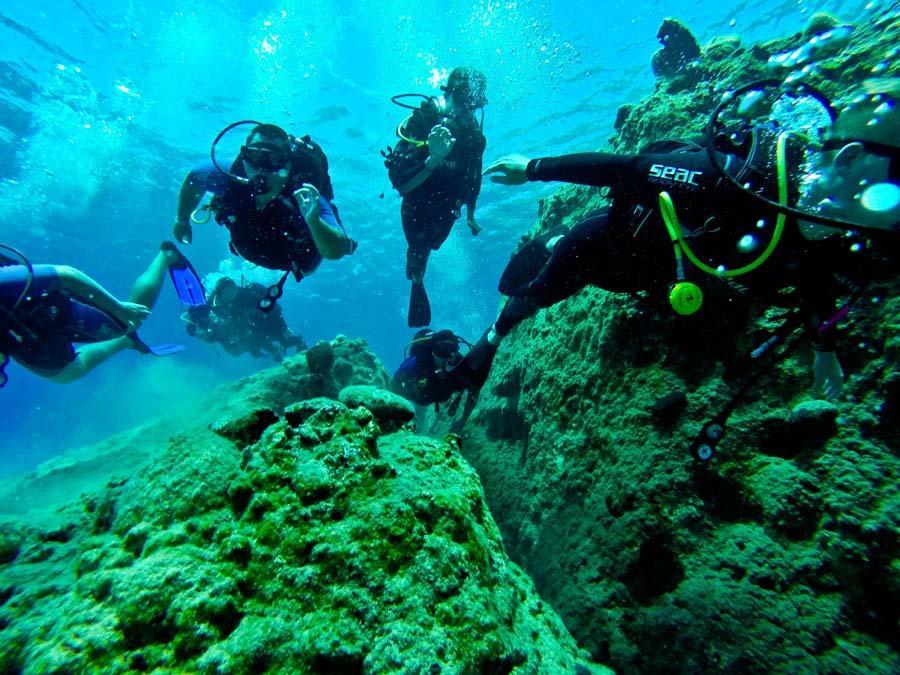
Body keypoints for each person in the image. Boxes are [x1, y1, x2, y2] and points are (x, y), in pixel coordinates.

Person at [454, 78, 898, 399]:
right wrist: (533, 168)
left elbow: (814, 277)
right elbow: (628, 168)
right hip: (604, 248)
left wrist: (824, 350)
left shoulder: (827, 226)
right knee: (535, 296)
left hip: (660, 274)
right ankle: (496, 331)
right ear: (852, 159)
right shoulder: (739, 179)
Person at [172, 122, 355, 310]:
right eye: (254, 157)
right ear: (244, 157)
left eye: (273, 159)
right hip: (246, 244)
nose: (261, 170)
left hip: (295, 259)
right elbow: (194, 177)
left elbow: (337, 249)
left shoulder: (306, 197)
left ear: (288, 164)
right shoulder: (230, 177)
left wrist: (314, 222)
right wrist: (182, 220)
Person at [0, 241, 204, 385]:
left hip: (51, 307)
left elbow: (65, 274)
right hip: (18, 330)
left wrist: (118, 308)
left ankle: (166, 255)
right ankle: (125, 341)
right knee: (66, 374)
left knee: (129, 321)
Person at [385, 68, 488, 326]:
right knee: (418, 246)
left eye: (473, 104)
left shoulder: (475, 138)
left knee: (433, 244)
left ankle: (418, 270)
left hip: (448, 208)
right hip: (417, 202)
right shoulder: (424, 121)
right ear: (449, 94)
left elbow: (474, 178)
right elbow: (402, 185)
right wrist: (434, 159)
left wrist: (471, 215)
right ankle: (416, 275)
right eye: (462, 101)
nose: (466, 111)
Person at [184, 277, 306, 361]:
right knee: (252, 350)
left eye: (233, 287)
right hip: (249, 327)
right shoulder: (213, 302)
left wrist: (283, 327)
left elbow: (273, 307)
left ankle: (298, 342)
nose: (233, 292)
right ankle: (275, 353)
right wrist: (192, 325)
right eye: (228, 290)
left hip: (265, 322)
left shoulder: (246, 294)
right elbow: (193, 314)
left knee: (284, 340)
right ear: (220, 293)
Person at [391, 328, 479, 429]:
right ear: (433, 351)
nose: (445, 357)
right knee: (418, 408)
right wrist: (396, 408)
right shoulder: (417, 363)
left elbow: (475, 389)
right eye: (441, 350)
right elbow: (395, 381)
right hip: (418, 396)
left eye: (450, 350)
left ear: (456, 351)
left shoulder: (462, 367)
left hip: (439, 395)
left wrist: (463, 419)